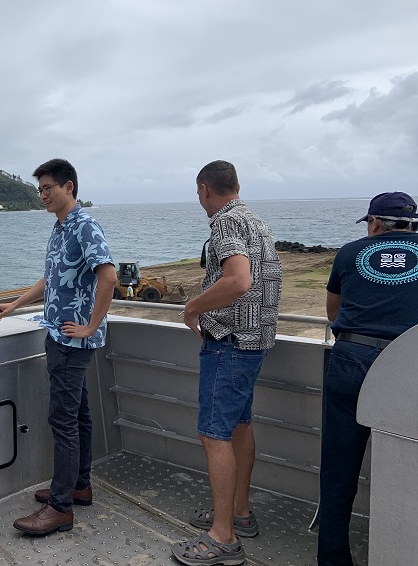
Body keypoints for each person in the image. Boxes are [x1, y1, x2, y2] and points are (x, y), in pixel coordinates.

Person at [0, 158, 117, 535]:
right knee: (79, 416)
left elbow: (108, 277)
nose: (42, 195)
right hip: (60, 334)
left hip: (72, 339)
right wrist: (12, 305)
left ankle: (61, 508)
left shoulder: (84, 225)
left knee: (63, 420)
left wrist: (91, 326)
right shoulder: (60, 228)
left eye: (48, 188)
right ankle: (79, 486)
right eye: (39, 189)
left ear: (69, 187)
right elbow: (51, 278)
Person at [172, 160, 282, 566]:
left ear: (204, 189)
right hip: (255, 341)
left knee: (214, 435)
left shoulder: (224, 223)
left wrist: (192, 307)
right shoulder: (255, 219)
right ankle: (239, 512)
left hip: (230, 343)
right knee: (240, 425)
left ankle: (223, 537)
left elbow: (238, 280)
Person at [318, 192, 418, 566]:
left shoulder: (349, 252)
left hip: (352, 358)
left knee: (338, 468)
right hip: (409, 365)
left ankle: (332, 559)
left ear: (374, 223)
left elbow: (333, 311)